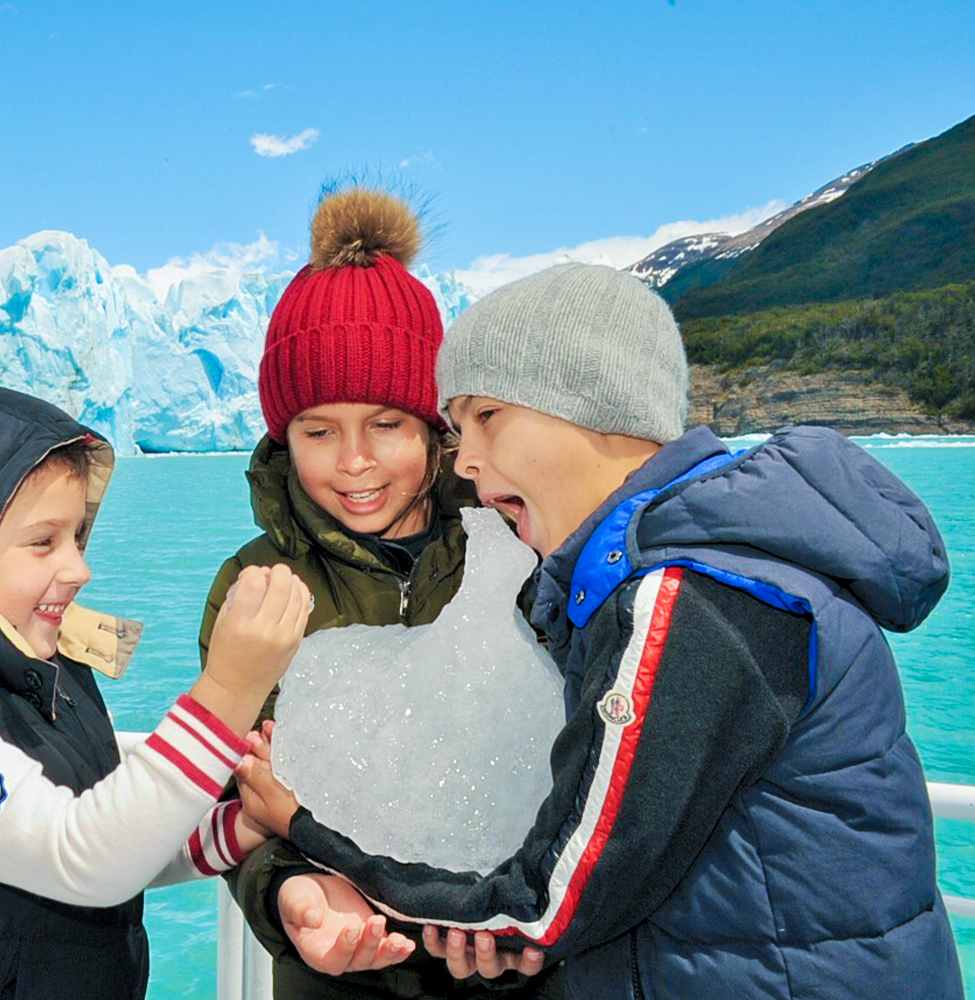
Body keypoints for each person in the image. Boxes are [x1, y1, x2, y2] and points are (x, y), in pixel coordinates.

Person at [238, 263, 964, 998]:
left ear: (595, 407)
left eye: (487, 416)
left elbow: (543, 907)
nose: (468, 458)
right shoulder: (707, 568)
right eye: (457, 426)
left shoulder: (688, 600)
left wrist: (302, 828)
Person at [0, 383, 312, 1000]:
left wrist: (238, 824)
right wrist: (232, 688)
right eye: (42, 542)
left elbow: (121, 835)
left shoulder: (35, 670)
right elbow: (86, 858)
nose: (79, 568)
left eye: (77, 536)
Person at [198, 188, 555, 998]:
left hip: (521, 970)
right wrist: (290, 892)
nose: (354, 461)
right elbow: (233, 791)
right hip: (340, 979)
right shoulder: (256, 587)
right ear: (283, 439)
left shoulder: (525, 549)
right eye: (318, 431)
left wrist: (542, 918)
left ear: (435, 426)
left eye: (387, 423)